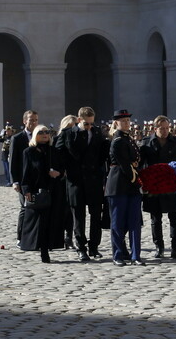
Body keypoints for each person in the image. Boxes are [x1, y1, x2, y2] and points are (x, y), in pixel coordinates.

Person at [55, 107, 109, 261]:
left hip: (94, 180)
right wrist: (63, 170)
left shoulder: (97, 132)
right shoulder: (68, 134)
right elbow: (58, 154)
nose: (89, 127)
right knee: (78, 217)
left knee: (96, 216)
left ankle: (94, 247)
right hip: (76, 181)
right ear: (79, 120)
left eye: (92, 123)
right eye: (86, 124)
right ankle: (81, 248)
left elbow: (102, 153)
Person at [140, 115, 176, 259]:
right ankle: (159, 247)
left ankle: (175, 247)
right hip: (154, 186)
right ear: (155, 129)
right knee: (156, 218)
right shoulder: (146, 143)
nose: (165, 131)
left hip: (171, 184)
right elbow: (142, 165)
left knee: (175, 217)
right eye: (162, 128)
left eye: (167, 128)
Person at [105, 109, 145, 267]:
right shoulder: (118, 140)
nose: (127, 123)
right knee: (117, 223)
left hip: (131, 185)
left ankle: (136, 255)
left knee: (135, 222)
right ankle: (118, 255)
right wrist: (136, 178)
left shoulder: (128, 138)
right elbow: (124, 164)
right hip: (119, 184)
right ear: (116, 123)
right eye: (123, 121)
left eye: (128, 120)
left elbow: (136, 159)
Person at [20, 125, 63, 263]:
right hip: (37, 192)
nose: (45, 134)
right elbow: (25, 173)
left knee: (51, 222)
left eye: (47, 132)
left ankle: (48, 249)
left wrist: (58, 173)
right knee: (40, 223)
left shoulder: (54, 151)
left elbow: (62, 169)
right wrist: (26, 190)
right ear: (35, 135)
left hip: (53, 191)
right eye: (41, 132)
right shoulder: (29, 152)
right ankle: (41, 250)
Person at [10, 110, 39, 247]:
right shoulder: (17, 138)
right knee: (24, 207)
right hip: (22, 180)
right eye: (31, 120)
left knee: (36, 207)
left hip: (37, 179)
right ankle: (20, 237)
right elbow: (13, 162)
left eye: (35, 120)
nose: (33, 122)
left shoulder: (40, 136)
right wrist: (15, 181)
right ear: (24, 121)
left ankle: (34, 236)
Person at [54, 115, 78, 250]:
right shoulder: (57, 139)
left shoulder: (79, 139)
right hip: (61, 180)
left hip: (74, 179)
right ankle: (58, 236)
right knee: (61, 209)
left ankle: (69, 236)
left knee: (71, 210)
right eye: (70, 127)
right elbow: (56, 158)